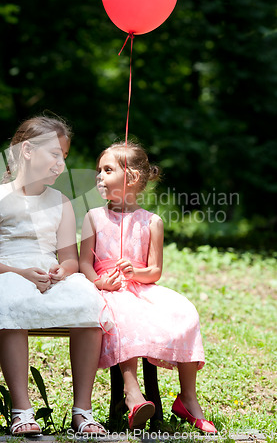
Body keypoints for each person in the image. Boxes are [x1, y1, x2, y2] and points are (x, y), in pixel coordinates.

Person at [0, 115, 112, 436]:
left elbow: (69, 259)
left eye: (64, 158)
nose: (60, 164)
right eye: (55, 155)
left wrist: (61, 271)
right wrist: (21, 273)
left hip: (47, 276)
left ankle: (82, 410)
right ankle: (21, 410)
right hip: (4, 273)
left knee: (89, 304)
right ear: (27, 150)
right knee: (12, 301)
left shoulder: (61, 202)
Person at [79, 141, 217, 433]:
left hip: (139, 288)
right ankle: (132, 394)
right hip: (107, 290)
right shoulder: (94, 218)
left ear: (131, 178)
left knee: (186, 311)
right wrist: (100, 281)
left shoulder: (151, 222)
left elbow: (154, 271)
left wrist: (135, 271)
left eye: (107, 170)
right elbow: (85, 265)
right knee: (122, 314)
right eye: (98, 170)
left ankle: (188, 398)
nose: (99, 177)